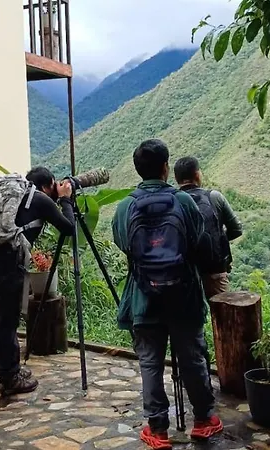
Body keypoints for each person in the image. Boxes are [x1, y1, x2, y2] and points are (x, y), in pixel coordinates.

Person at [112, 139, 223, 449]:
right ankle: (204, 420)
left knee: (150, 362)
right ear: (165, 168)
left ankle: (158, 430)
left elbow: (124, 244)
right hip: (184, 296)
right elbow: (198, 241)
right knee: (192, 359)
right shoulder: (183, 201)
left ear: (138, 169)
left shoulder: (125, 207)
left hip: (144, 297)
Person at [0, 166, 74, 396]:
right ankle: (10, 379)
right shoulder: (40, 199)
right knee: (7, 322)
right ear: (47, 185)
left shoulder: (15, 197)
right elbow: (69, 228)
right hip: (8, 264)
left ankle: (10, 370)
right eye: (54, 185)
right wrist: (66, 200)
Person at [174, 156, 242, 299]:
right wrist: (217, 240)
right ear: (197, 174)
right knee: (223, 310)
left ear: (176, 178)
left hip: (182, 274)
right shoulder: (214, 197)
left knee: (188, 312)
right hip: (214, 271)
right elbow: (236, 229)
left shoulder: (171, 201)